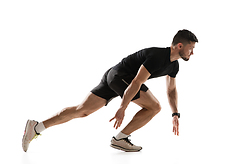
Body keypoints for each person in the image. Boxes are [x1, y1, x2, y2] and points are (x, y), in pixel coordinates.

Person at [22, 29, 198, 152]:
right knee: (154, 106)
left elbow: (171, 90)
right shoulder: (157, 57)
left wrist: (175, 113)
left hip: (114, 76)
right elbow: (136, 81)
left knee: (81, 111)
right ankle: (120, 139)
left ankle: (36, 127)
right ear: (180, 46)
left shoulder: (173, 66)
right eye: (191, 48)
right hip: (120, 77)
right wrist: (123, 107)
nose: (193, 53)